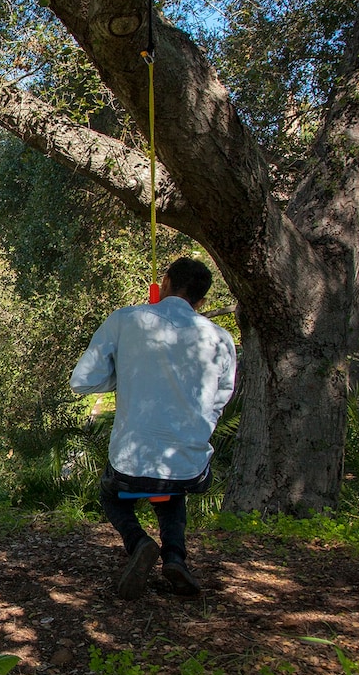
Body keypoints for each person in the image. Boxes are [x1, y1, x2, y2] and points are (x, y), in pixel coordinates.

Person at [70, 257, 236, 600]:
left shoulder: (126, 320)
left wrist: (126, 375)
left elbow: (82, 382)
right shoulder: (221, 339)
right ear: (202, 301)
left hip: (131, 465)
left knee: (111, 493)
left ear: (165, 282)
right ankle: (175, 557)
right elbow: (221, 398)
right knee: (171, 486)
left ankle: (139, 542)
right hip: (191, 468)